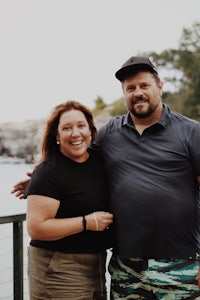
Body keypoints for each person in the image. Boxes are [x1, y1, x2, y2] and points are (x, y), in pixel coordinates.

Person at [12, 57, 200, 299]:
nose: (138, 93)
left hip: (180, 265)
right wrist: (41, 179)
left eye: (144, 86)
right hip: (126, 267)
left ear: (160, 86)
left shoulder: (191, 132)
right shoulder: (111, 132)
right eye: (130, 88)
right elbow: (76, 157)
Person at [17, 100, 113, 300]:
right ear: (57, 135)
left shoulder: (98, 160)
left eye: (81, 126)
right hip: (57, 267)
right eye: (67, 128)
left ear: (90, 130)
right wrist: (87, 222)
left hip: (96, 264)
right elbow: (37, 228)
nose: (75, 133)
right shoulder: (48, 172)